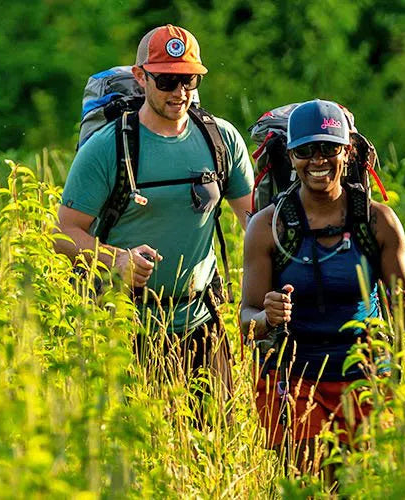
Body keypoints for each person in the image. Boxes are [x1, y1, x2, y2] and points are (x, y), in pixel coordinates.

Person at [51, 25, 255, 421]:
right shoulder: (107, 147)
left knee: (216, 439)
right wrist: (117, 261)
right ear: (141, 76)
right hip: (126, 325)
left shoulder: (220, 140)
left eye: (189, 80)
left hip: (202, 319)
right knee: (138, 446)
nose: (180, 92)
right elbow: (62, 234)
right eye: (166, 80)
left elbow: (256, 222)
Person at [237, 100, 405, 482]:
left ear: (347, 151)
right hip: (293, 376)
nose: (317, 160)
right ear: (290, 157)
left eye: (328, 148)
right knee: (312, 481)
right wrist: (265, 316)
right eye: (305, 151)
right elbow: (246, 318)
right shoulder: (267, 226)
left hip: (365, 373)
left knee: (364, 482)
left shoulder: (378, 221)